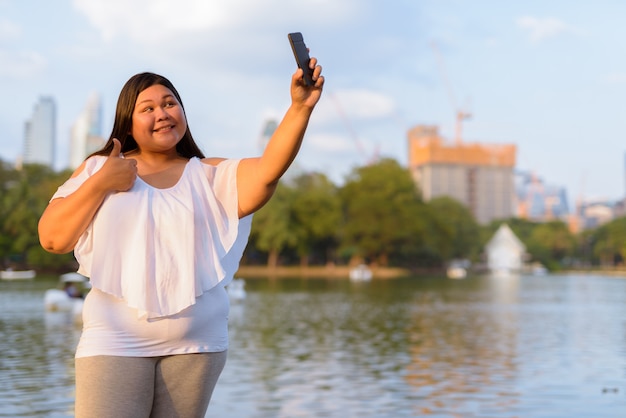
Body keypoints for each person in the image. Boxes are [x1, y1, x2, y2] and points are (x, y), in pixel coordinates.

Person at [38, 54, 324, 417]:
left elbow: (268, 172)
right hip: (114, 342)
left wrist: (300, 108)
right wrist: (102, 182)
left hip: (196, 347)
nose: (162, 113)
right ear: (128, 121)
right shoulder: (100, 168)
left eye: (170, 103)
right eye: (148, 108)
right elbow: (52, 238)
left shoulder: (209, 176)